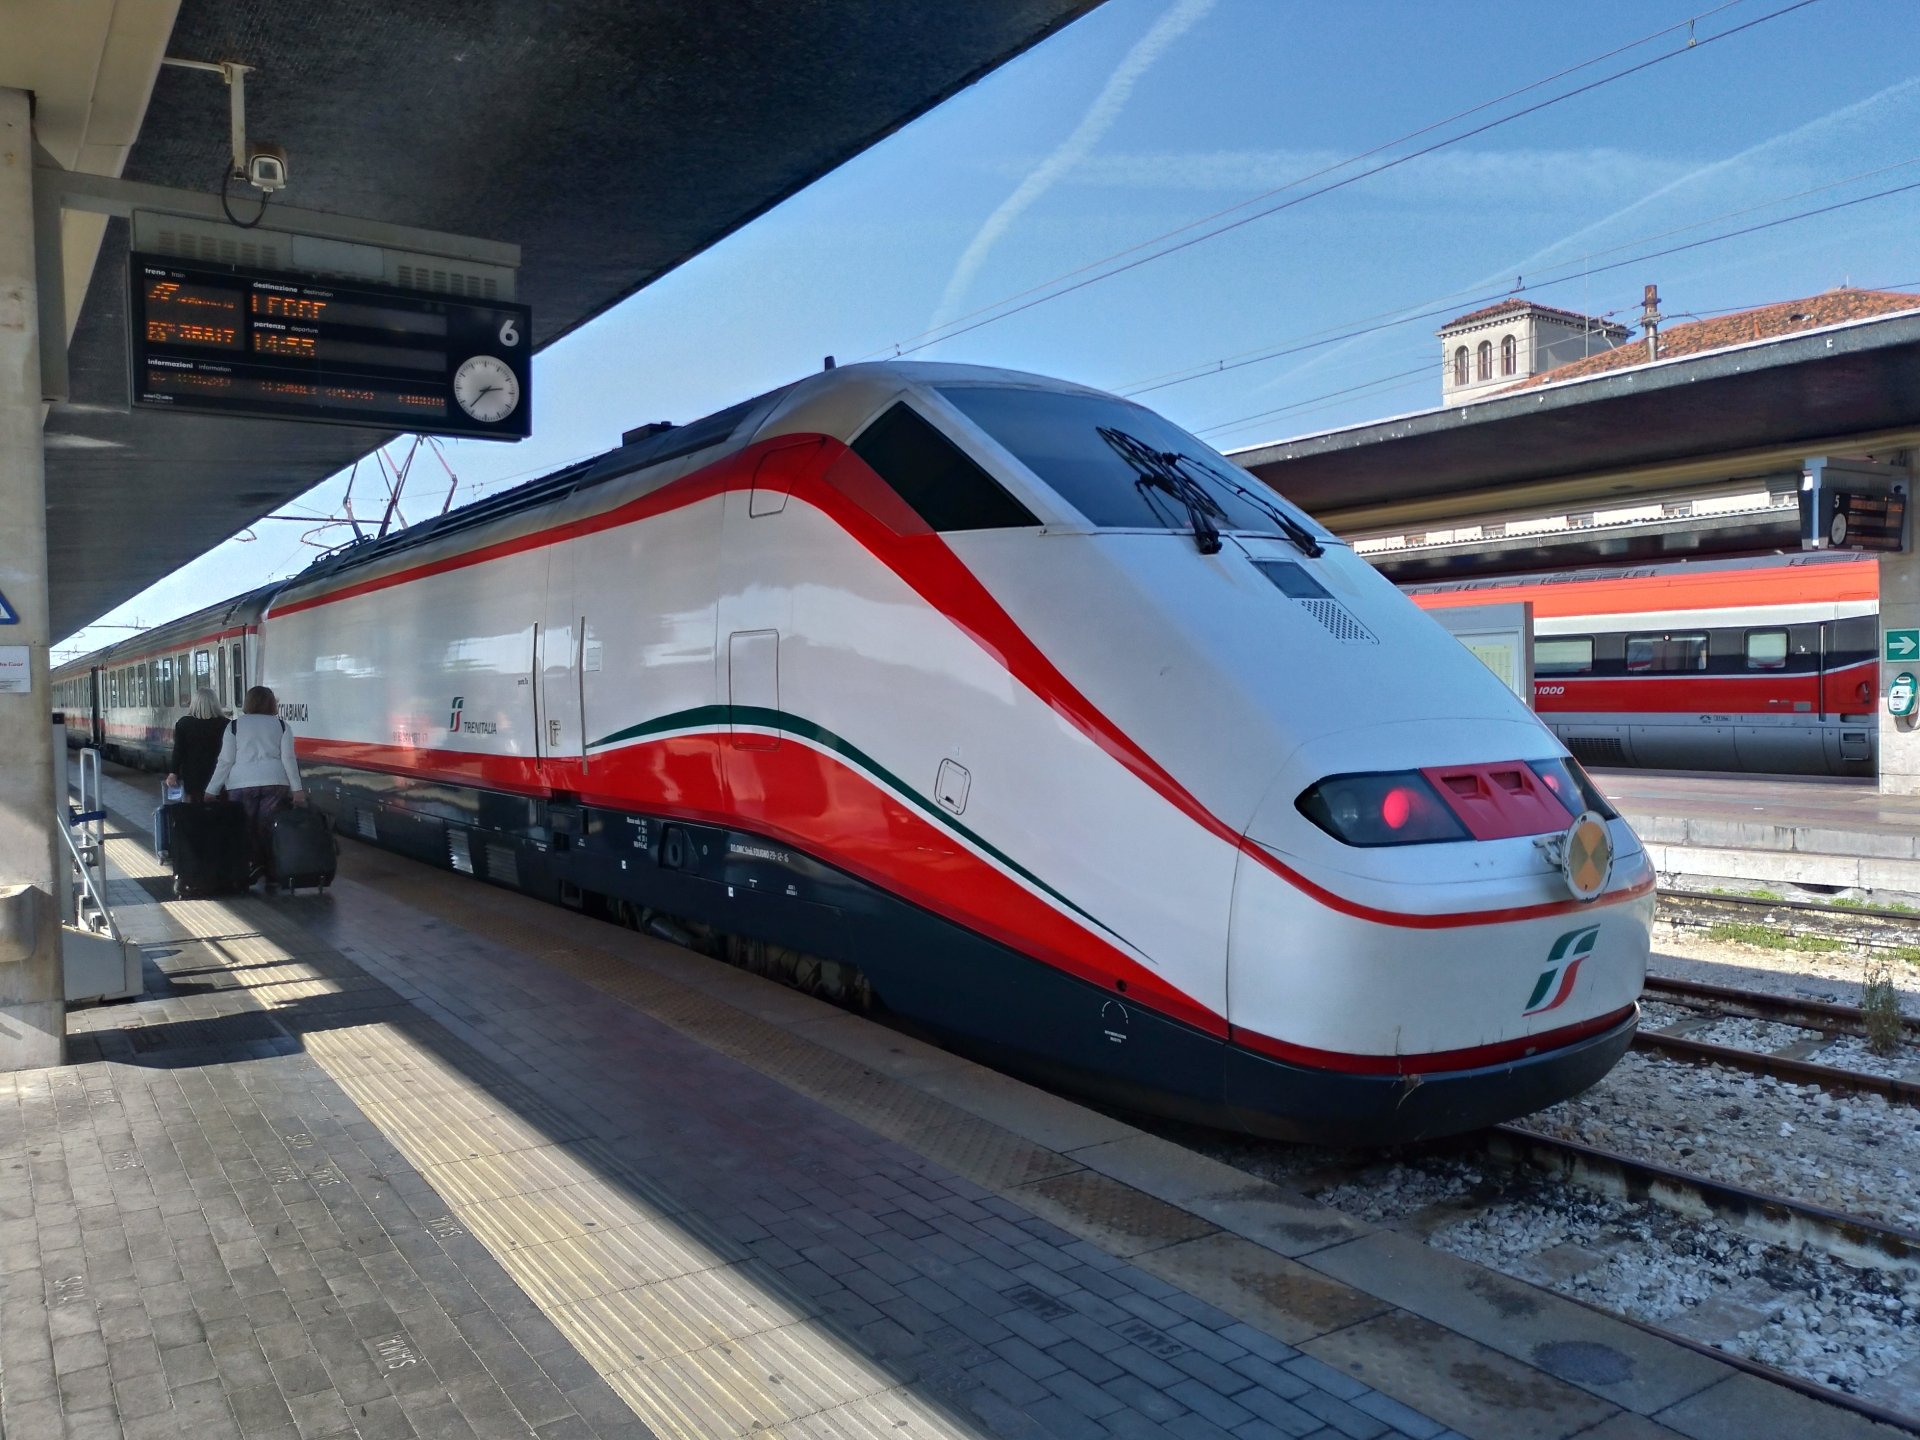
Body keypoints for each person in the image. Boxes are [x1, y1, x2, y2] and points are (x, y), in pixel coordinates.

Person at [206, 685, 305, 882]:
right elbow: (288, 759)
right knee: (268, 826)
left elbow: (226, 761)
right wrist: (297, 789)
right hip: (275, 783)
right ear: (272, 703)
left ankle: (250, 865)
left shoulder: (234, 726)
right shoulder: (282, 726)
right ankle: (270, 868)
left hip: (241, 784)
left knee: (245, 826)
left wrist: (211, 790)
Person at [165, 687, 228, 802]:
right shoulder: (225, 724)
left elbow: (178, 751)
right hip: (219, 777)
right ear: (215, 703)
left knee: (194, 808)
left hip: (193, 778)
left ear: (194, 704)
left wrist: (173, 773)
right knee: (219, 809)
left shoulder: (184, 724)